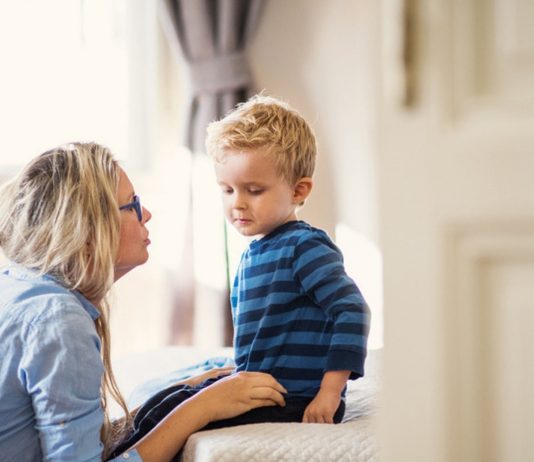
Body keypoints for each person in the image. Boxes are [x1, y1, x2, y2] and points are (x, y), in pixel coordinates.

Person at [0, 142, 287, 462]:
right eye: (132, 204)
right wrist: (202, 408)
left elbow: (79, 443)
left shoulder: (18, 288)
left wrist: (178, 394)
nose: (146, 214)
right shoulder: (58, 320)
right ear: (89, 230)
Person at [205, 94, 371, 424]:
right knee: (173, 400)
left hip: (295, 398)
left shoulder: (303, 247)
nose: (237, 203)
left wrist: (329, 393)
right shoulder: (253, 255)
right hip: (262, 391)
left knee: (187, 414)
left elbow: (352, 311)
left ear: (298, 191)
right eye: (227, 190)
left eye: (253, 190)